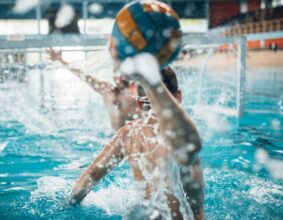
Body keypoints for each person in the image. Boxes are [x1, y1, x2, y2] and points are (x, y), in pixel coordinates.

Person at [69, 61, 204, 219]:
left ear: (140, 104)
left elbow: (90, 175)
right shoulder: (183, 137)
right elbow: (195, 201)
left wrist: (68, 203)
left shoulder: (128, 133)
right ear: (178, 97)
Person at [47, 48, 141, 130]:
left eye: (122, 74)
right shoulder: (107, 90)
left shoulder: (136, 93)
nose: (119, 77)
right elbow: (84, 76)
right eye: (117, 73)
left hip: (133, 138)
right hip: (114, 137)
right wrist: (61, 60)